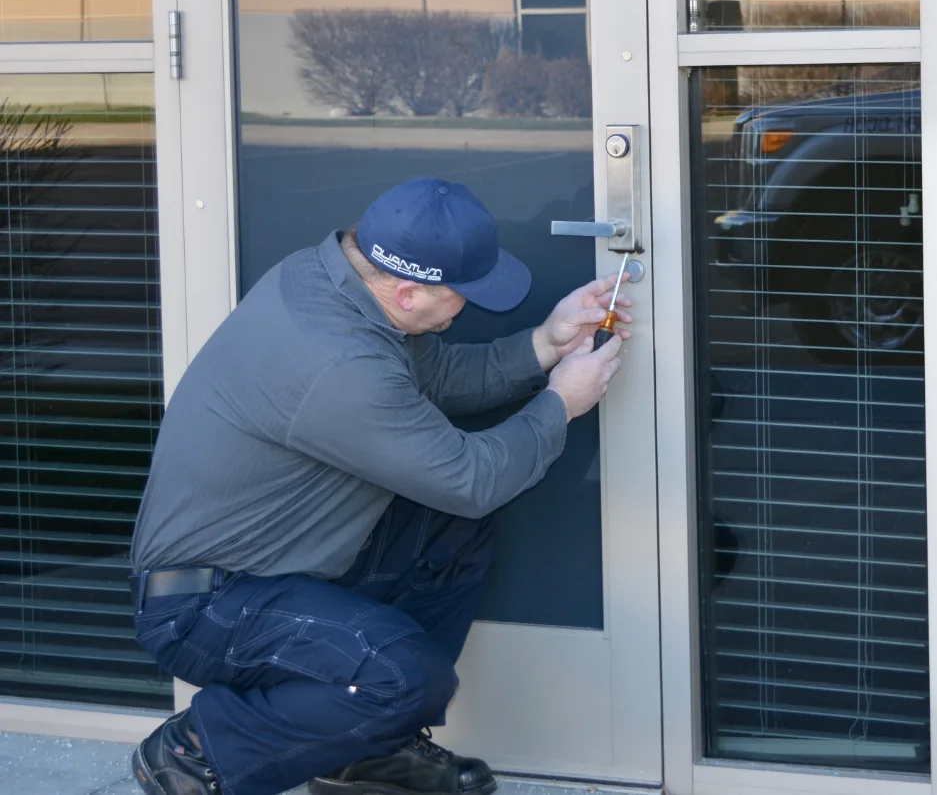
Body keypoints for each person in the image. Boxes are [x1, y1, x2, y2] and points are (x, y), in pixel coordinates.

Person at [128, 177, 631, 795]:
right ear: (409, 291)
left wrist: (546, 343)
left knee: (450, 525)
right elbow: (472, 478)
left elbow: (438, 379)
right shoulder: (336, 360)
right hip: (208, 607)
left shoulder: (332, 282)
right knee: (405, 677)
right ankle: (195, 750)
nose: (467, 308)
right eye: (461, 295)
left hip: (275, 570)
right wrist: (562, 403)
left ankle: (362, 749)